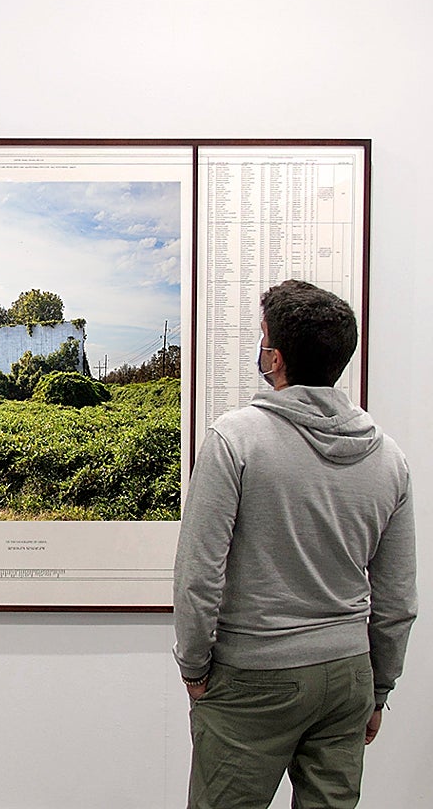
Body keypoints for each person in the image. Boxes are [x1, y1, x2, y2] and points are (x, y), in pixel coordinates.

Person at [173, 279, 417, 809]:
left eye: (262, 339)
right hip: (349, 673)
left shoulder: (234, 440)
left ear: (275, 358)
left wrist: (193, 666)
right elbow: (397, 598)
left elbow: (199, 573)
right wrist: (380, 688)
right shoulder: (389, 457)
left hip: (254, 674)